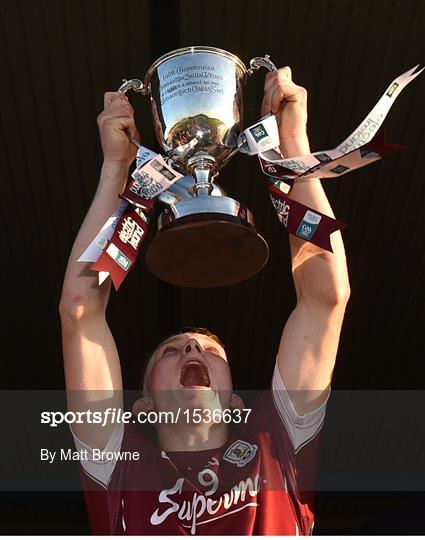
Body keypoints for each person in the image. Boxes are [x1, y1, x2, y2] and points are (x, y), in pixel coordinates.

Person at [59, 66, 351, 535]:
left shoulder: (277, 444)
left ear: (236, 402)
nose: (193, 350)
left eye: (209, 351)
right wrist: (115, 166)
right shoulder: (118, 467)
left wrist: (293, 146)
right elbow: (79, 310)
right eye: (172, 351)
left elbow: (326, 296)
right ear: (144, 408)